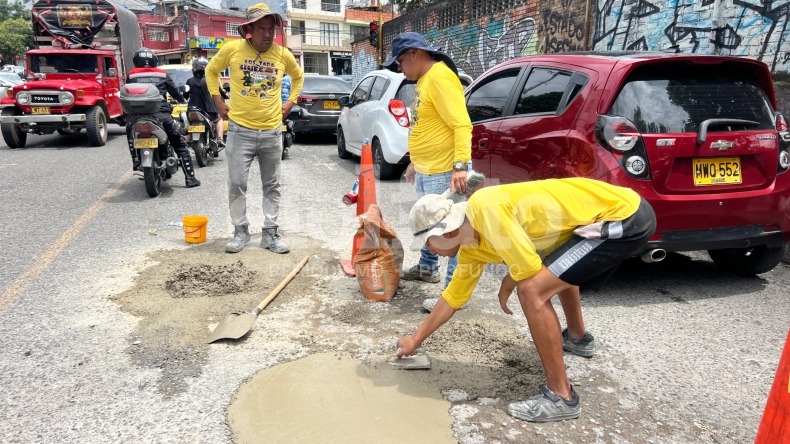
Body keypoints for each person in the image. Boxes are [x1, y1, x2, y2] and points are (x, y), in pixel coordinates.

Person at [396, 178, 656, 422]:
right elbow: (452, 298)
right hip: (605, 218)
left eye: (428, 242)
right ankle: (578, 338)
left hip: (624, 216)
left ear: (447, 230)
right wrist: (415, 340)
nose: (429, 250)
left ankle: (561, 397)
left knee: (532, 290)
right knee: (553, 271)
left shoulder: (484, 208)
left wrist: (507, 284)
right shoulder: (470, 249)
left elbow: (527, 271)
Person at [205, 3, 304, 254]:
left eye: (271, 29)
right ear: (249, 29)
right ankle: (240, 231)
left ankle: (270, 233)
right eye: (262, 28)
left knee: (272, 185)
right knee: (237, 183)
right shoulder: (233, 49)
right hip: (241, 131)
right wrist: (217, 99)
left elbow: (298, 76)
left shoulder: (282, 54)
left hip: (272, 131)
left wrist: (290, 101)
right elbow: (211, 70)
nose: (268, 34)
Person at [381, 32, 471, 295]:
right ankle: (427, 268)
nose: (399, 67)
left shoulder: (441, 78)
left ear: (413, 53)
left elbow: (462, 124)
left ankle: (453, 295)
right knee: (428, 225)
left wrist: (460, 167)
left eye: (399, 61)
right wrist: (414, 162)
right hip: (428, 168)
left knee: (453, 232)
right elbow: (425, 125)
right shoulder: (424, 79)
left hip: (445, 171)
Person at [125, 47, 200, 188]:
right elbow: (175, 92)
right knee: (180, 146)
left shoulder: (132, 75)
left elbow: (126, 93)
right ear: (153, 60)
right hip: (162, 116)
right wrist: (181, 99)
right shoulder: (161, 74)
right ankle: (190, 178)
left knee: (130, 132)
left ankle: (136, 159)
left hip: (137, 117)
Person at [185, 57, 229, 148]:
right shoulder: (211, 81)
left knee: (190, 123)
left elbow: (185, 95)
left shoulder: (189, 81)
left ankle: (187, 139)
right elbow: (220, 92)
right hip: (210, 110)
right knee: (219, 120)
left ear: (194, 69)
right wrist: (225, 95)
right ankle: (220, 139)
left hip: (193, 110)